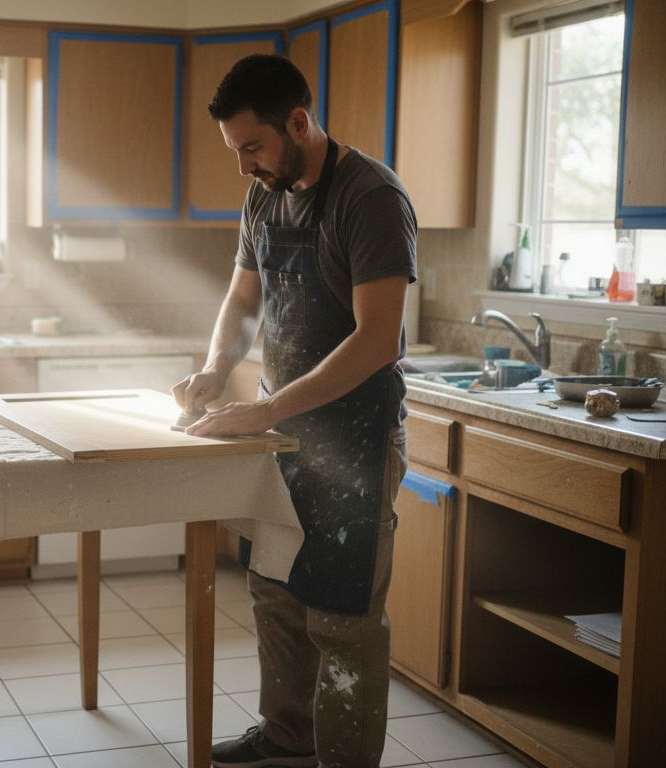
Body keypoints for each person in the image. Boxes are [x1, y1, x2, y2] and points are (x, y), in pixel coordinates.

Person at [171, 54, 416, 768]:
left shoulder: (368, 197)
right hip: (281, 438)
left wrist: (265, 407)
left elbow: (377, 339)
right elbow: (243, 301)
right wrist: (218, 369)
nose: (244, 165)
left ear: (299, 123)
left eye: (253, 146)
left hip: (356, 441)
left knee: (342, 621)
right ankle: (286, 739)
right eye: (235, 150)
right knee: (276, 594)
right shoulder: (263, 196)